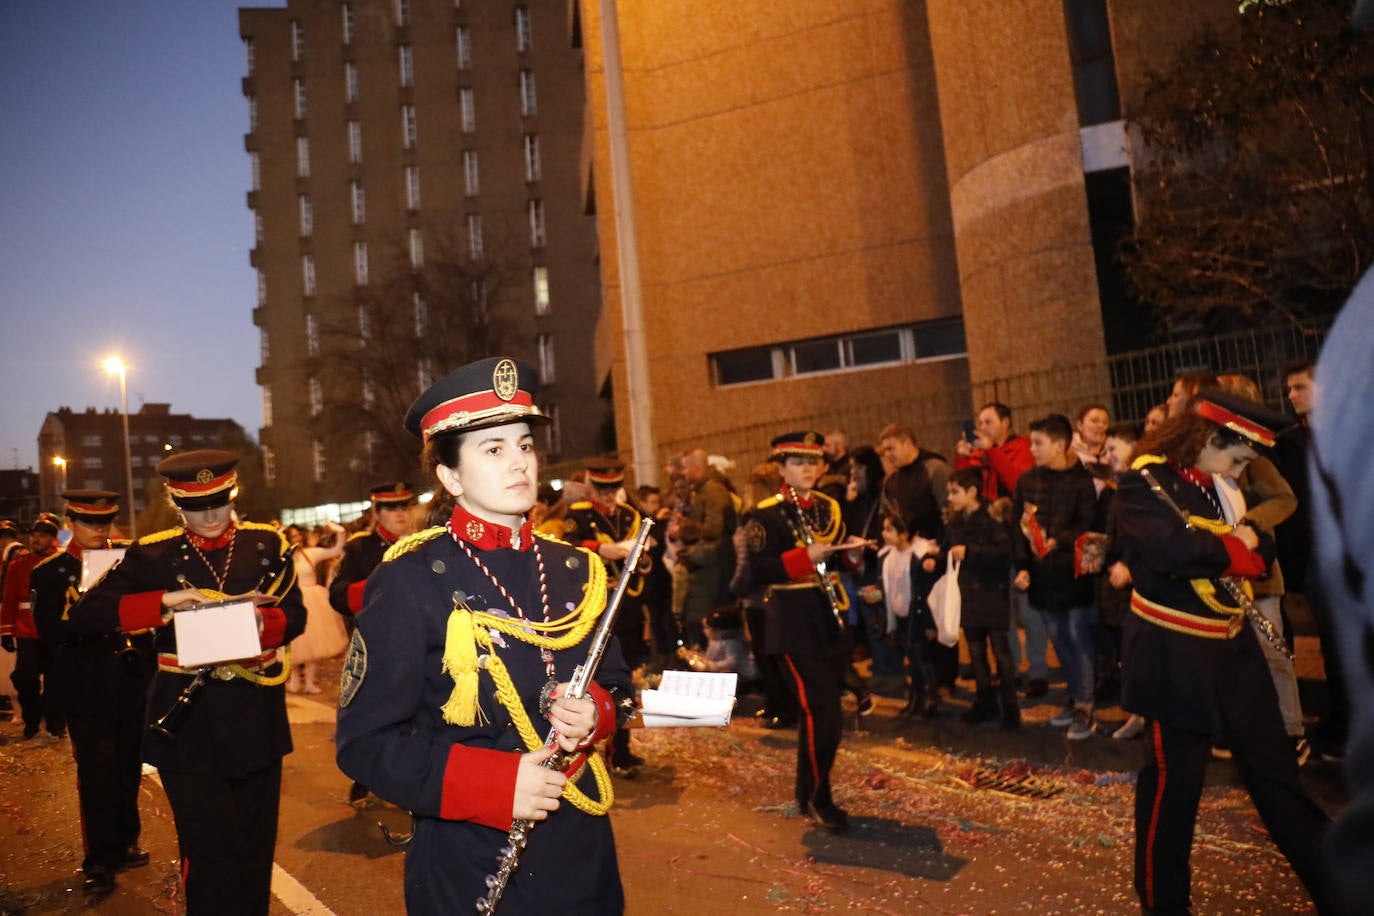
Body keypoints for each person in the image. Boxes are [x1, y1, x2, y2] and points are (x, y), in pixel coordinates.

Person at [335, 357, 634, 914]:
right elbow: (366, 743)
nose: (519, 462)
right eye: (492, 449)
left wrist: (597, 711)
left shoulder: (576, 569)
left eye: (523, 444)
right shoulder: (409, 579)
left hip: (582, 849)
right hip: (470, 855)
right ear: (450, 477)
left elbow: (617, 682)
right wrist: (495, 785)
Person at [1116, 389, 1335, 914]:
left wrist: (1245, 543)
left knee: (1278, 777)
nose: (1239, 473)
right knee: (1175, 792)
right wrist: (1240, 548)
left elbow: (1266, 546)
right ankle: (1164, 906)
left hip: (1234, 648)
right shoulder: (1142, 481)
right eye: (1236, 458)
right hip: (1176, 655)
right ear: (1210, 437)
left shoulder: (1218, 485)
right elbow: (1175, 552)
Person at [65, 453, 305, 914]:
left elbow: (296, 615)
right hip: (187, 724)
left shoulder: (266, 544)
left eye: (220, 502)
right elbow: (85, 615)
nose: (212, 516)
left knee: (255, 849)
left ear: (233, 495)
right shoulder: (151, 553)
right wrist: (164, 601)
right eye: (198, 507)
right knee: (209, 851)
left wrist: (259, 622)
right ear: (177, 504)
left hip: (255, 718)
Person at [743, 431, 868, 833]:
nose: (808, 468)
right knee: (824, 712)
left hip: (828, 619)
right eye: (798, 462)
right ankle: (818, 797)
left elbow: (835, 564)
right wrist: (802, 558)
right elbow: (758, 571)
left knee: (820, 713)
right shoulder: (766, 514)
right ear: (781, 468)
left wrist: (850, 554)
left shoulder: (830, 507)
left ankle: (807, 793)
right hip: (792, 623)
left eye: (813, 461)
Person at [30, 491, 154, 898]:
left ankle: (125, 841)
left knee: (127, 768)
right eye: (89, 523)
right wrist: (103, 618)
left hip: (131, 681)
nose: (100, 531)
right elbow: (51, 634)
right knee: (97, 775)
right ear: (71, 522)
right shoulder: (50, 572)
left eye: (106, 523)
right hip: (85, 687)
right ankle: (99, 858)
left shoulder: (128, 563)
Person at [1011, 414, 1099, 740]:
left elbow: (1088, 523)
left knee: (1078, 635)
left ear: (1060, 445)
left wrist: (1058, 540)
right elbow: (1016, 527)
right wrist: (1022, 565)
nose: (1032, 449)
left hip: (1073, 574)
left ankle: (1086, 705)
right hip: (1042, 576)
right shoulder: (1027, 481)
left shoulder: (1081, 481)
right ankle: (1074, 697)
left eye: (1038, 443)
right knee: (1058, 637)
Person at [564, 456, 650, 776]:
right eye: (601, 488)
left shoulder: (631, 515)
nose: (608, 495)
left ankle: (622, 750)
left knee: (628, 679)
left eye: (614, 488)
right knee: (601, 678)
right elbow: (569, 546)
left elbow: (644, 558)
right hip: (596, 604)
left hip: (627, 604)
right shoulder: (580, 515)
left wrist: (641, 559)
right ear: (590, 485)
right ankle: (601, 748)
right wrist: (602, 550)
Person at [942, 468, 1018, 727]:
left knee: (1000, 652)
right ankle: (984, 702)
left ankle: (1010, 707)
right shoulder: (955, 521)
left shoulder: (990, 517)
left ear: (972, 492)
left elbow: (1004, 552)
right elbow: (947, 547)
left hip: (991, 594)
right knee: (975, 653)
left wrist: (971, 552)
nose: (950, 498)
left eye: (955, 492)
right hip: (968, 596)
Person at [1, 513, 62, 738]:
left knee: (57, 680)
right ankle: (32, 719)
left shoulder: (62, 562)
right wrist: (6, 631)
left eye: (42, 536)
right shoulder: (18, 566)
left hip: (55, 629)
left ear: (53, 538)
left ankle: (55, 722)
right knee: (25, 677)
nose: (36, 539)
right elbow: (9, 601)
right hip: (27, 628)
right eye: (34, 535)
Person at [329, 482, 419, 631]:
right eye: (390, 508)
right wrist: (379, 587)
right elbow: (338, 596)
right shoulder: (360, 547)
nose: (400, 513)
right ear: (376, 513)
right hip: (383, 631)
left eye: (405, 506)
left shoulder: (424, 542)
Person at [286, 520, 349, 694]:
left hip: (313, 601)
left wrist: (339, 532)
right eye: (293, 536)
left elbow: (336, 550)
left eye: (299, 535)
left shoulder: (310, 554)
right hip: (295, 600)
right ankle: (294, 680)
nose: (297, 539)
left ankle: (309, 682)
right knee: (295, 643)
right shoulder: (284, 558)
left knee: (315, 642)